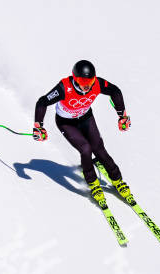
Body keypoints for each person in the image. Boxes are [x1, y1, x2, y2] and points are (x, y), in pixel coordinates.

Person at [32, 60, 132, 204]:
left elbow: (115, 91)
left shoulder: (97, 84)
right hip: (66, 123)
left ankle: (117, 179)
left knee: (99, 148)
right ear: (74, 78)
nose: (86, 86)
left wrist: (122, 115)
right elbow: (42, 102)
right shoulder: (64, 87)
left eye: (89, 82)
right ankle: (92, 182)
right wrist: (38, 126)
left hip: (86, 118)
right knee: (86, 149)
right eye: (81, 81)